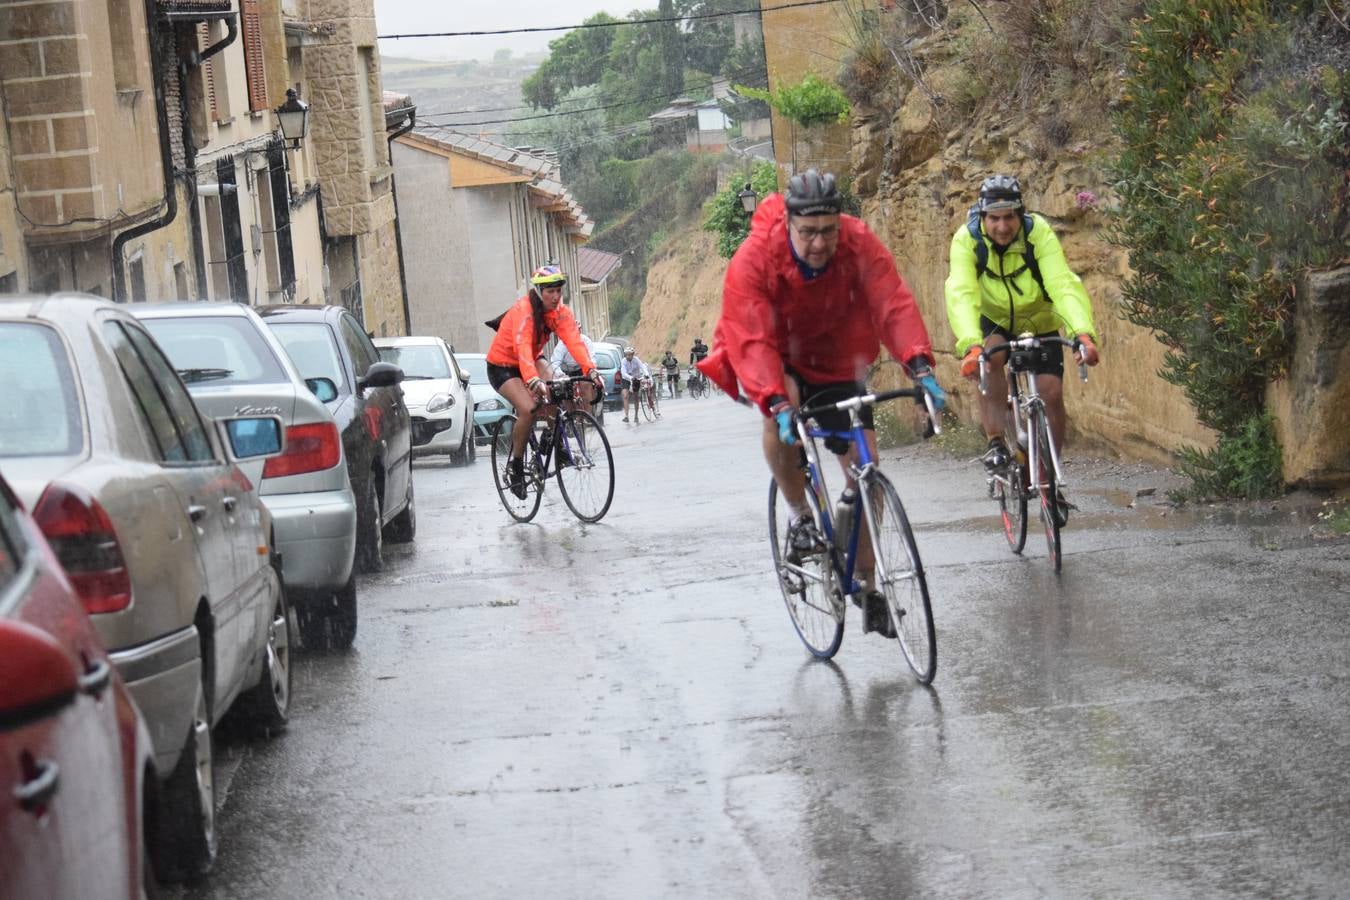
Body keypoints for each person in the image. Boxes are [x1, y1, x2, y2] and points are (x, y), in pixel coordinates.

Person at [697, 169, 946, 639]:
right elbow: (749, 337)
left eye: (828, 231)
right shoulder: (755, 258)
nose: (819, 243)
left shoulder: (857, 242)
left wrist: (919, 365)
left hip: (837, 361)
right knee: (781, 406)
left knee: (866, 472)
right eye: (808, 232)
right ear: (789, 224)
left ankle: (869, 588)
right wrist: (775, 402)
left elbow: (891, 302)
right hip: (778, 356)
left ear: (840, 223)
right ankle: (801, 516)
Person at [944, 174, 1099, 521]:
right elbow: (961, 292)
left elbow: (1062, 283)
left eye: (1010, 216)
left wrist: (1082, 333)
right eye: (994, 218)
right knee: (991, 358)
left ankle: (1049, 481)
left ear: (1021, 214)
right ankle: (997, 442)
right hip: (993, 318)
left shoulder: (1037, 233)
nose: (1002, 226)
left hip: (1039, 319)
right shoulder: (967, 240)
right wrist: (971, 345)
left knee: (1051, 392)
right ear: (982, 217)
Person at [486, 265, 603, 497]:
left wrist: (591, 371)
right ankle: (516, 467)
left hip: (533, 357)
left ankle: (555, 442)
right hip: (503, 365)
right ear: (539, 291)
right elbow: (522, 349)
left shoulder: (560, 312)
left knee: (557, 387)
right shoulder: (525, 311)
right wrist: (531, 380)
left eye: (558, 290)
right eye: (550, 291)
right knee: (528, 409)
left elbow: (574, 342)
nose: (556, 296)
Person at [619, 346, 649, 424]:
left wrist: (646, 374)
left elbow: (642, 367)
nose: (628, 356)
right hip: (626, 379)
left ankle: (636, 416)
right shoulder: (623, 361)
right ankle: (626, 416)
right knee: (625, 396)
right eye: (627, 355)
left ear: (633, 354)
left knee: (636, 397)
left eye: (630, 354)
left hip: (636, 379)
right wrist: (630, 377)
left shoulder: (636, 360)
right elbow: (623, 372)